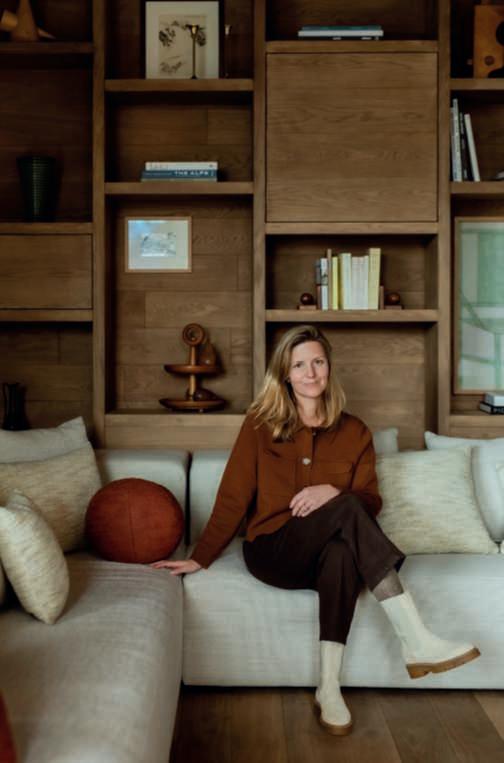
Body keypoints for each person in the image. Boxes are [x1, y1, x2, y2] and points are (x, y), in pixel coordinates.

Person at [153, 324, 480, 735]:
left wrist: (333, 492)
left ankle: (329, 687)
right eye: (299, 365)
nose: (310, 373)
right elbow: (233, 498)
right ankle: (416, 640)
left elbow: (370, 501)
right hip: (273, 550)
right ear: (285, 374)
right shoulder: (260, 424)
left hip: (325, 555)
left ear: (329, 368)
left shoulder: (356, 432)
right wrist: (200, 557)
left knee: (343, 550)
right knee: (346, 511)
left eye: (318, 362)